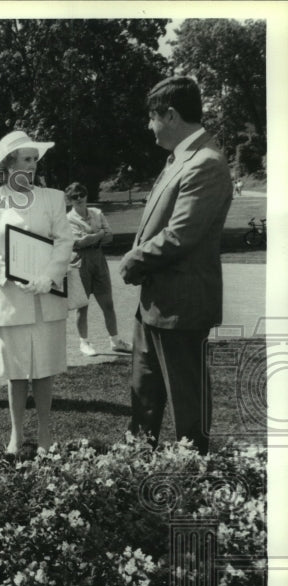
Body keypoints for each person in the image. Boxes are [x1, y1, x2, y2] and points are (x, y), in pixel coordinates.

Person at [120, 76, 232, 455]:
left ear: (170, 115)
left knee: (188, 410)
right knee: (143, 399)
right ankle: (132, 470)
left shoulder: (206, 163)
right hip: (154, 304)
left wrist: (134, 259)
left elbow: (181, 234)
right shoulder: (180, 159)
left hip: (182, 306)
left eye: (152, 117)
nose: (149, 126)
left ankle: (194, 474)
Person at [0, 131, 73, 455]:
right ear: (9, 164)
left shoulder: (52, 197)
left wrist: (49, 277)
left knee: (44, 370)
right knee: (16, 373)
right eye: (27, 159)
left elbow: (64, 240)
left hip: (47, 297)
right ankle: (16, 435)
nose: (32, 165)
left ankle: (45, 433)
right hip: (10, 300)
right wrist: (10, 275)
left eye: (35, 159)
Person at [63, 182, 131, 357]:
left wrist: (94, 237)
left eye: (81, 194)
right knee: (82, 305)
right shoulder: (68, 219)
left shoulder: (97, 213)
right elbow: (80, 242)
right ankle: (84, 343)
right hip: (80, 261)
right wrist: (99, 234)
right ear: (69, 200)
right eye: (74, 196)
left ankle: (115, 341)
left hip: (98, 259)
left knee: (108, 303)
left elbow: (110, 237)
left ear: (86, 195)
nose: (79, 198)